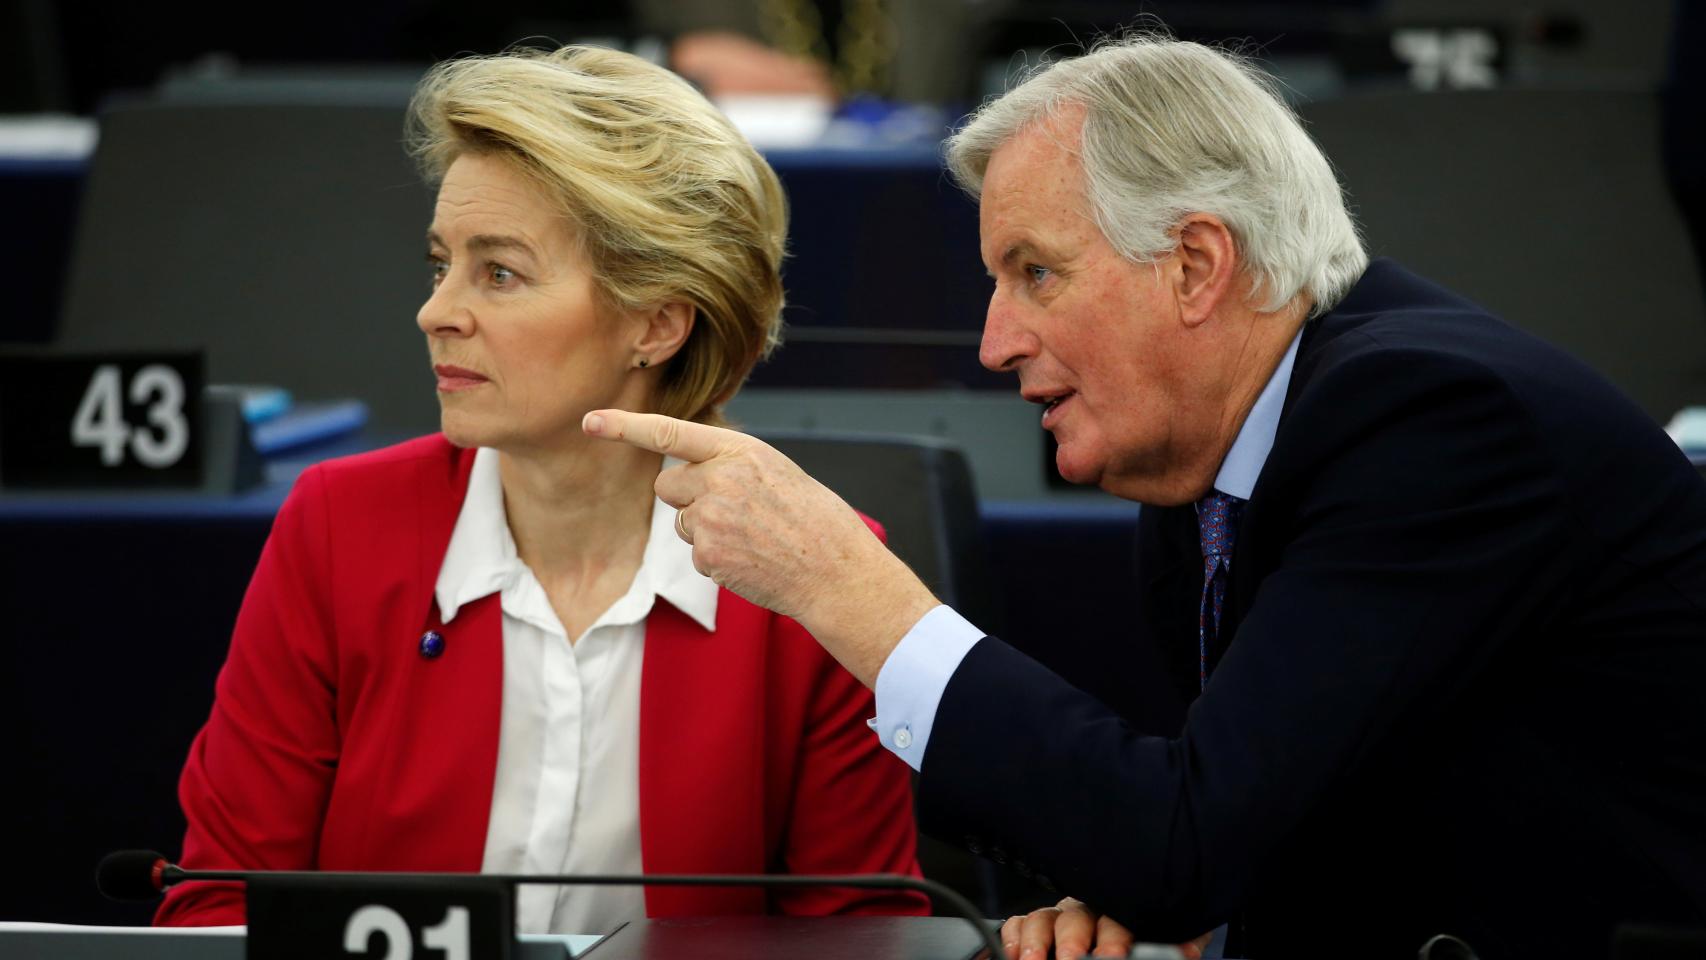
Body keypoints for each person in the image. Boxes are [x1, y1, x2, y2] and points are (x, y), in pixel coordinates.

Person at [582, 33, 1706, 958]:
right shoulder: (1207, 466)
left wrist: (849, 589)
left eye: (1034, 273)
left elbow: (1188, 842)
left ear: (1194, 266)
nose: (991, 343)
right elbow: (1239, 836)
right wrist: (1155, 904)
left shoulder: (1431, 419)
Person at [156, 45, 928, 933]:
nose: (437, 310)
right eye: (439, 264)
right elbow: (219, 906)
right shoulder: (339, 527)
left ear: (658, 322)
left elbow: (863, 939)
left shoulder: (814, 571)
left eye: (500, 273)